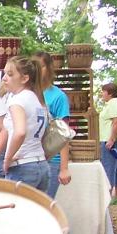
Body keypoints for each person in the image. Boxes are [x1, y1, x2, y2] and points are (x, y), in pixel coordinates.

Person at [0, 55, 50, 192]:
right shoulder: (37, 100)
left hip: (22, 165)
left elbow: (20, 132)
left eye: (10, 74)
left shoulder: (17, 101)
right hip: (41, 163)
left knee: (15, 212)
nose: (4, 78)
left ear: (24, 78)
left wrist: (7, 159)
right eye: (4, 74)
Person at [33, 51, 72, 197]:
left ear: (49, 68)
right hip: (29, 159)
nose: (37, 71)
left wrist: (64, 168)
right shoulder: (26, 94)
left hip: (51, 160)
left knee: (45, 205)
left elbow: (63, 134)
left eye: (41, 67)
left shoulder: (58, 97)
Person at [97, 82, 117, 203]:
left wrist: (111, 139)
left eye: (103, 91)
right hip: (113, 140)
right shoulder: (112, 104)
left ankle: (107, 197)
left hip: (109, 140)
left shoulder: (113, 103)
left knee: (108, 167)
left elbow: (115, 122)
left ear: (110, 93)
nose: (102, 94)